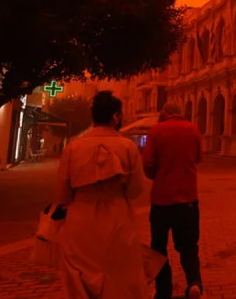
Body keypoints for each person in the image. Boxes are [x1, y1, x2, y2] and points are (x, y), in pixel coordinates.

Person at [54, 91, 150, 298]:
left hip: (80, 219)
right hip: (118, 218)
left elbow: (62, 194)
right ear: (116, 116)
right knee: (121, 278)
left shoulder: (73, 147)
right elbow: (135, 191)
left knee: (81, 281)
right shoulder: (128, 147)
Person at [143, 101, 204, 299]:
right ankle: (194, 283)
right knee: (189, 245)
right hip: (188, 198)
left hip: (161, 199)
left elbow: (148, 163)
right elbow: (197, 158)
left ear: (164, 113)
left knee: (159, 247)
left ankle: (164, 290)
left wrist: (158, 175)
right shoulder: (193, 129)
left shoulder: (156, 131)